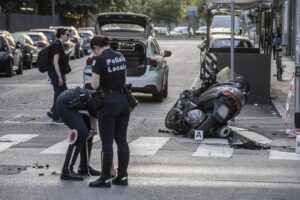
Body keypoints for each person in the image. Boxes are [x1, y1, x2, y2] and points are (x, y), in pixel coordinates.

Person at [88, 35, 131, 188]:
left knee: (107, 141)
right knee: (122, 140)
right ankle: (122, 176)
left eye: (93, 51)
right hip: (124, 101)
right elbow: (124, 79)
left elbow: (94, 85)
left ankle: (105, 177)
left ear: (96, 48)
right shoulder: (120, 56)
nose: (94, 54)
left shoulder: (99, 60)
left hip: (107, 103)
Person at [56, 87, 101, 180]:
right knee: (81, 132)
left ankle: (84, 167)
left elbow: (92, 113)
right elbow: (94, 111)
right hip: (64, 104)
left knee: (89, 132)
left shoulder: (101, 98)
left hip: (74, 102)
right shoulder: (102, 101)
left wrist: (93, 130)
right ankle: (66, 170)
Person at [46, 28, 70, 123]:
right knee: (60, 93)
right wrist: (59, 77)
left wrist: (62, 75)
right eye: (67, 35)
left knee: (63, 93)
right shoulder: (56, 45)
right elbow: (55, 62)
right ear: (61, 35)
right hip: (55, 73)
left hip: (57, 73)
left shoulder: (59, 44)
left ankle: (54, 112)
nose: (69, 37)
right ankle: (55, 114)